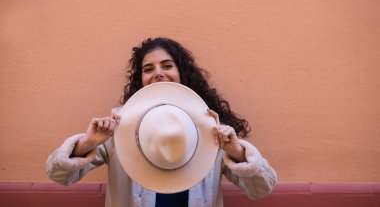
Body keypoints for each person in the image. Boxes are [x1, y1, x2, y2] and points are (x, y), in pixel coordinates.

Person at [46, 37, 278, 207]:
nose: (158, 73)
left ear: (182, 73)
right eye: (148, 69)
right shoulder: (121, 125)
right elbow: (59, 175)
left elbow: (261, 188)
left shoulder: (210, 127)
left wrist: (235, 151)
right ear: (141, 80)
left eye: (167, 66)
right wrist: (87, 143)